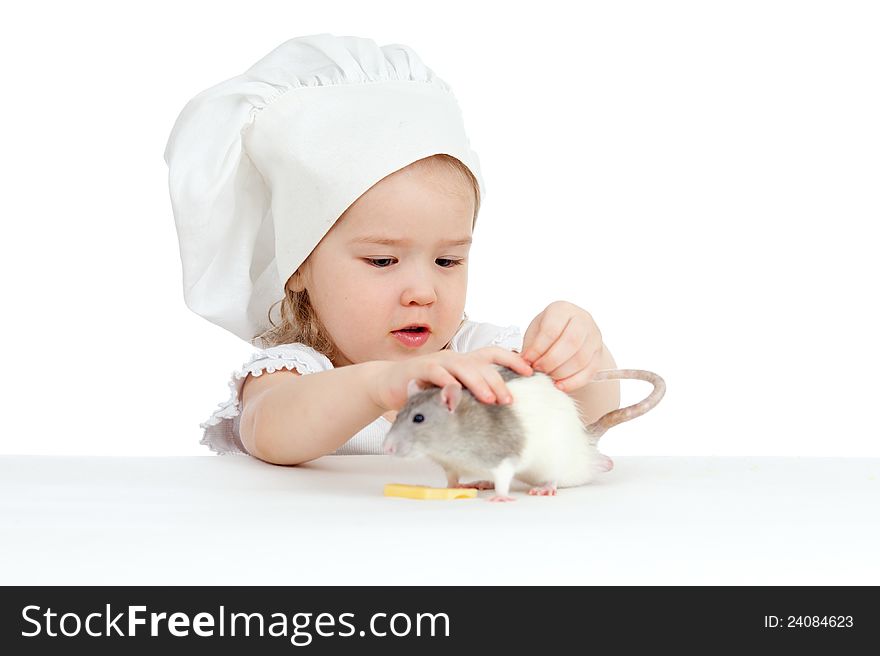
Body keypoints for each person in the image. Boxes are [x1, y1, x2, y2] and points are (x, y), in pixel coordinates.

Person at [164, 34, 620, 465]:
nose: (423, 291)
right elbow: (270, 430)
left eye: (448, 260)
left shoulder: (476, 355)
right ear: (298, 265)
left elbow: (587, 413)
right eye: (383, 260)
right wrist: (377, 386)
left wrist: (581, 351)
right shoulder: (295, 374)